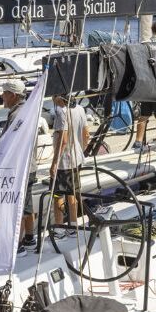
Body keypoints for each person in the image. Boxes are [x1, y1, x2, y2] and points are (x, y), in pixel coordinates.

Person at [0, 79, 37, 251]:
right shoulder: (28, 111)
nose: (2, 96)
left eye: (5, 93)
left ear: (13, 95)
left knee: (18, 206)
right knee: (27, 204)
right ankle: (30, 238)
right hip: (30, 166)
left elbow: (10, 143)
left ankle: (19, 244)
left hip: (19, 168)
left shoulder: (16, 116)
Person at [50, 93, 89, 229]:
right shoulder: (80, 109)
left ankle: (59, 229)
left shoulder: (62, 113)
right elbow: (86, 134)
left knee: (57, 196)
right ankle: (73, 226)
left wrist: (54, 162)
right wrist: (81, 150)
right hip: (76, 158)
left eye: (54, 97)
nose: (53, 100)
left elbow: (64, 140)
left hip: (64, 162)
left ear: (60, 98)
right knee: (72, 194)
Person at [134, 20, 156, 150]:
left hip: (146, 85)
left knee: (144, 115)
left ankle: (138, 141)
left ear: (153, 30)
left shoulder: (144, 45)